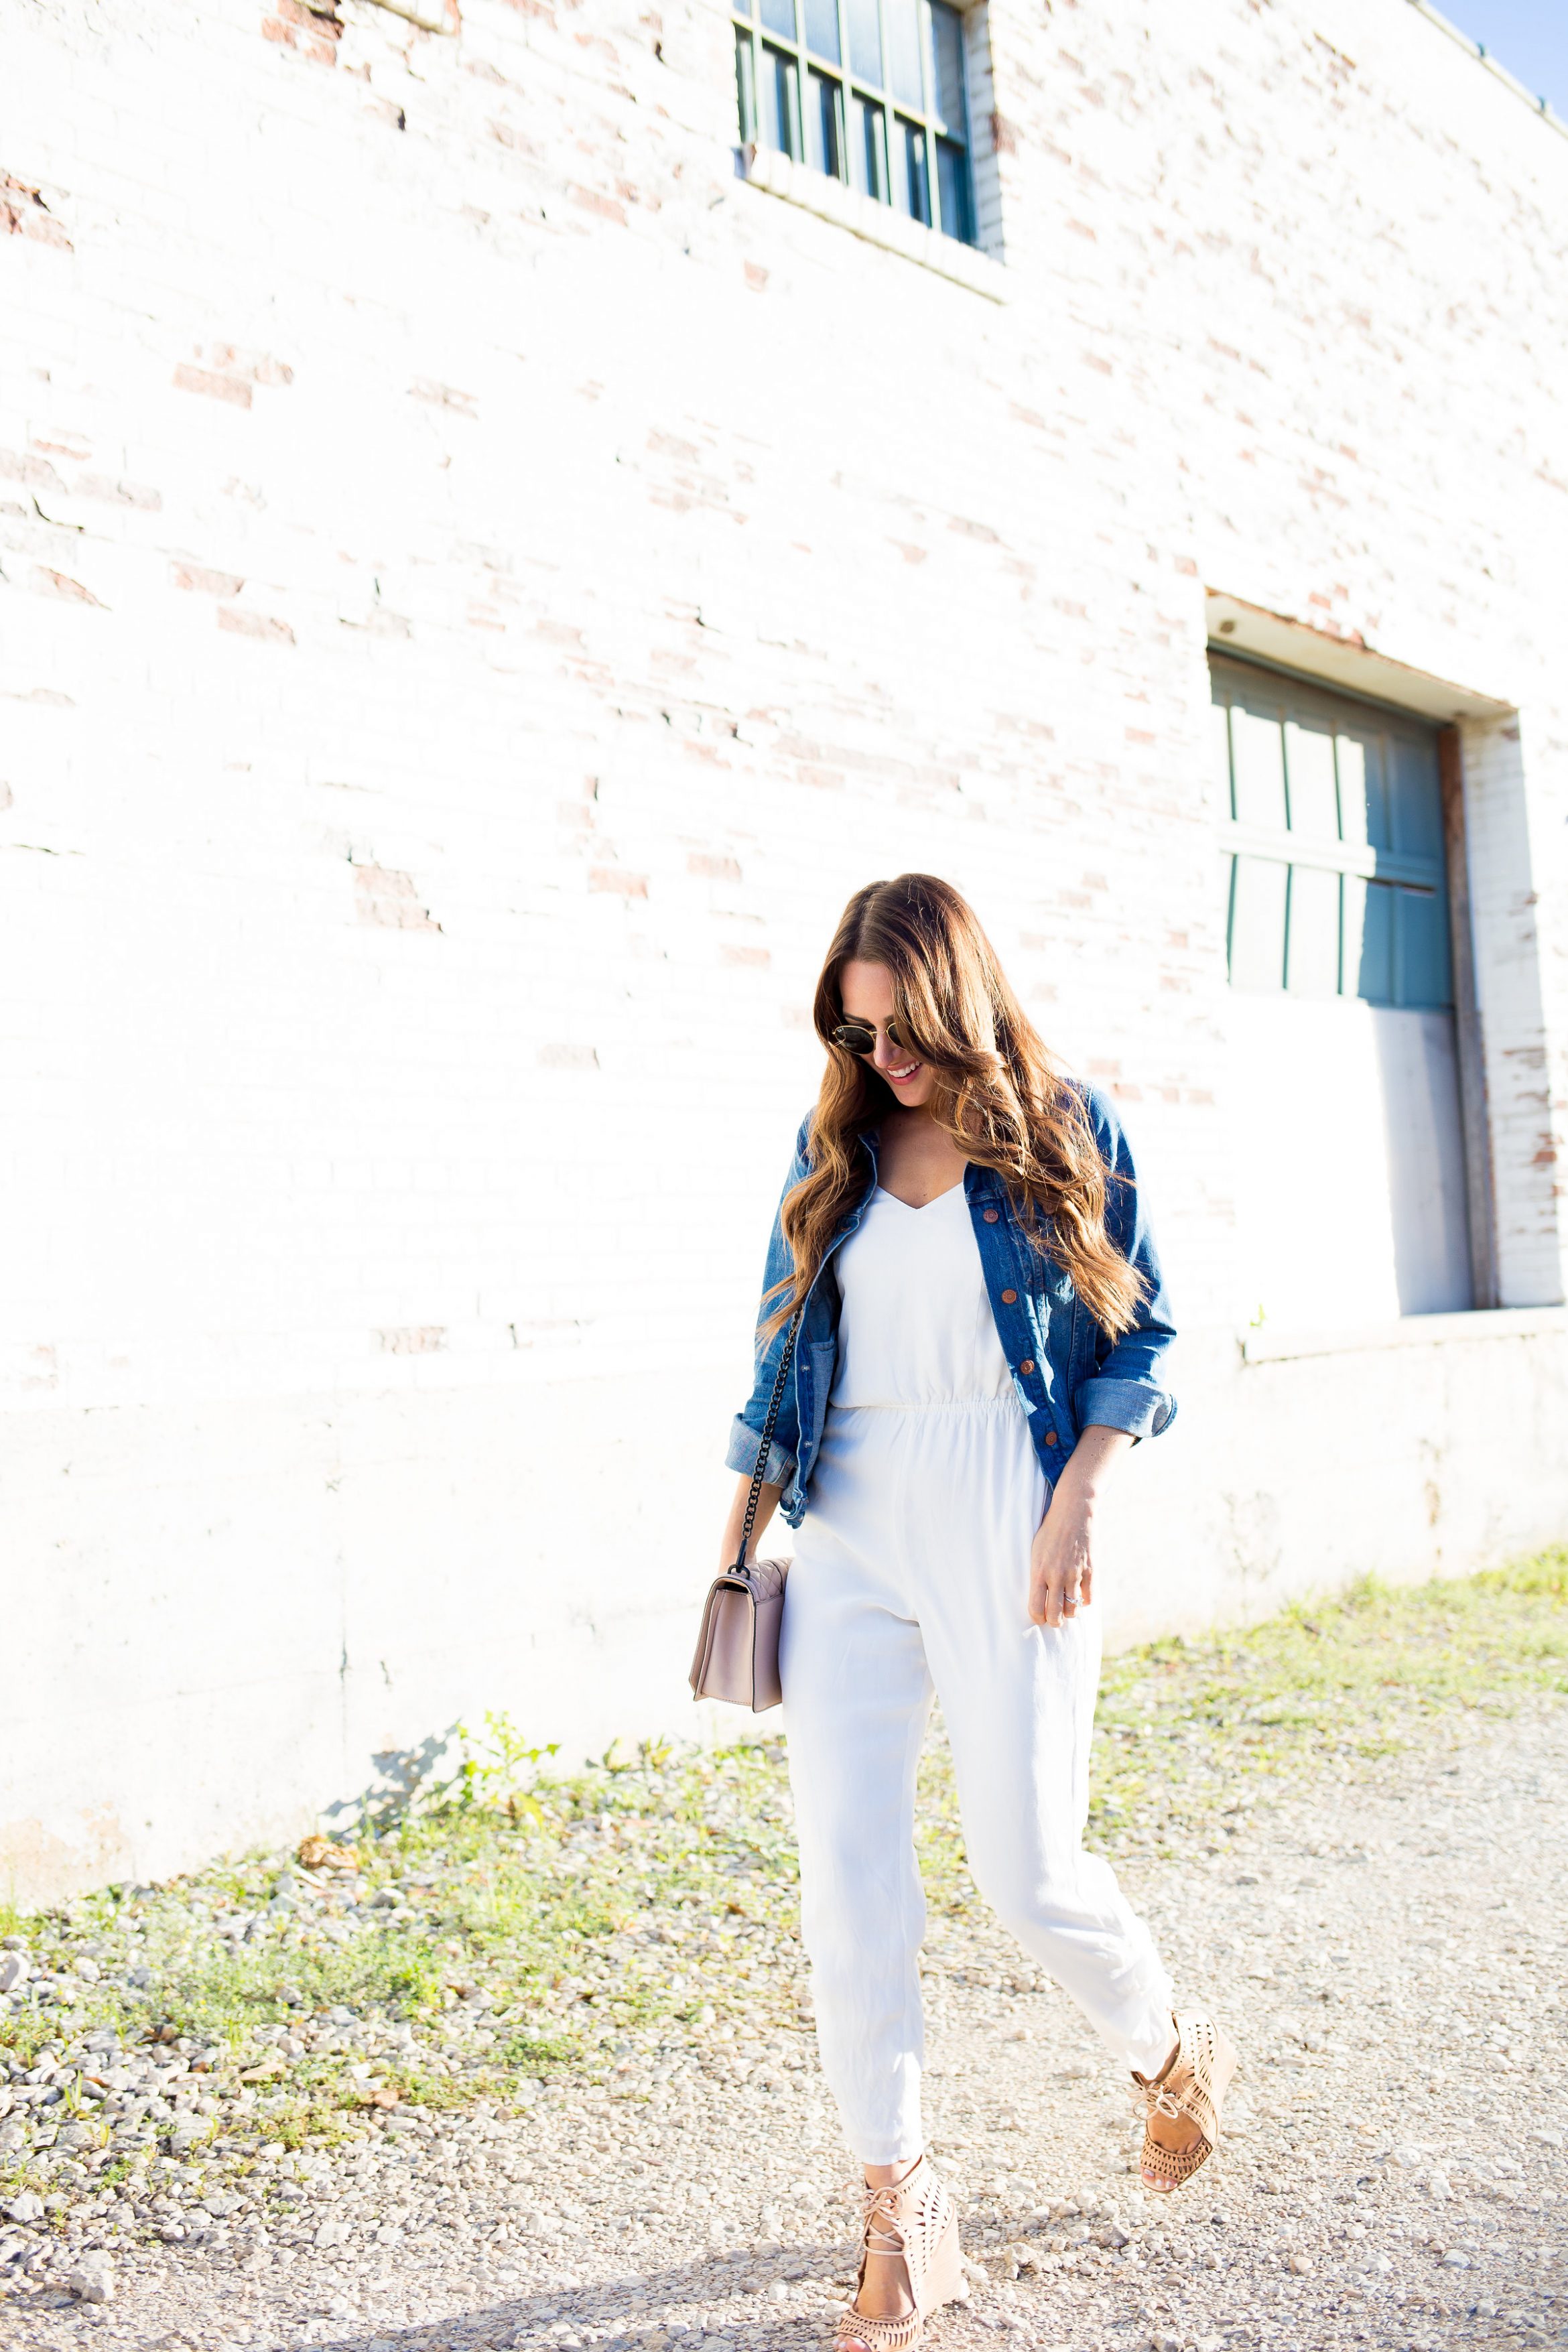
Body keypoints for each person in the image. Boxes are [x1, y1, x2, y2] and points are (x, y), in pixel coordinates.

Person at [719, 875, 1236, 2352]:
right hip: (850, 1531)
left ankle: (1172, 2050)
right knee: (849, 1876)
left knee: (1028, 1866)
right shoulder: (834, 1156)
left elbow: (1147, 1332)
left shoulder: (1070, 1131)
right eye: (853, 1033)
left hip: (1012, 1510)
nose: (880, 1060)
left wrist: (1079, 1497)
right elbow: (772, 1376)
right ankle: (901, 2199)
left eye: (899, 1029)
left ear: (957, 998)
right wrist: (734, 1555)